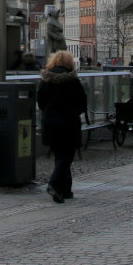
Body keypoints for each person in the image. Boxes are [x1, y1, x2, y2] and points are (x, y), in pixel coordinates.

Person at [38, 50, 86, 204]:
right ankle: (54, 183)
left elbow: (41, 101)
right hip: (68, 122)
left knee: (60, 155)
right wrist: (73, 113)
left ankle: (66, 190)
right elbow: (82, 103)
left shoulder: (46, 79)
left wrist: (48, 114)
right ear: (69, 63)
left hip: (50, 122)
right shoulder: (72, 80)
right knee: (66, 156)